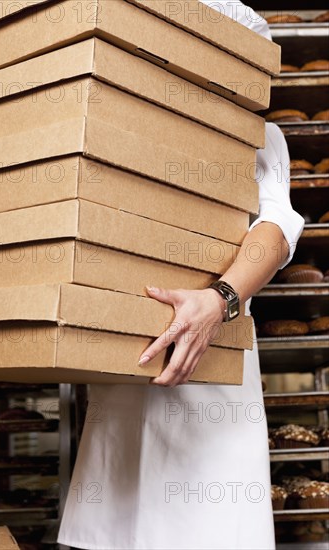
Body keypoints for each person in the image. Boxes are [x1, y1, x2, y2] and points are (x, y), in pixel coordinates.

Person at [58, 2, 304, 548]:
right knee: (112, 527)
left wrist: (219, 299)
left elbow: (278, 226)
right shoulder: (115, 117)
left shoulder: (257, 136)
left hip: (212, 383)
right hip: (121, 381)